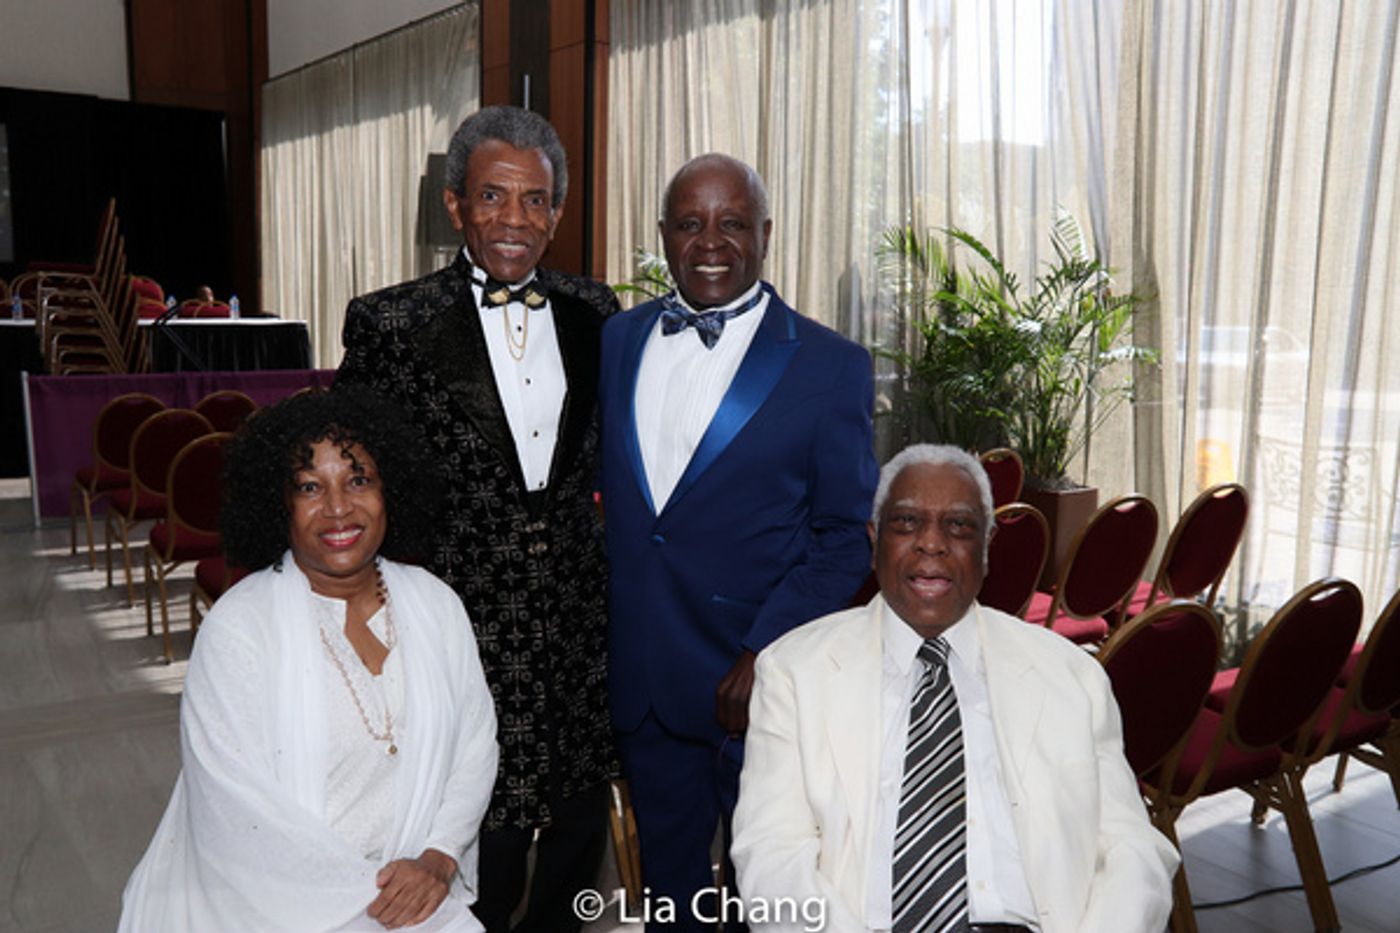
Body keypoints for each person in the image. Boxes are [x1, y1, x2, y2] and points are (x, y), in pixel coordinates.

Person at [337, 105, 618, 933]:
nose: (515, 220)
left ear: (558, 213)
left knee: (575, 814)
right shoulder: (391, 323)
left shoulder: (595, 311)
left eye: (535, 201)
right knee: (475, 819)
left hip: (575, 608)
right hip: (457, 606)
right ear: (457, 204)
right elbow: (352, 474)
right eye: (493, 197)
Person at [730, 444, 1179, 933]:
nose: (931, 543)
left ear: (987, 549)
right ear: (874, 539)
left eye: (959, 526)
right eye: (906, 523)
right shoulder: (793, 673)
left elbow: (1133, 849)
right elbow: (771, 860)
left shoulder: (1073, 676)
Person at [598, 153, 878, 930]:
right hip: (645, 680)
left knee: (774, 896)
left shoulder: (831, 365)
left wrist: (767, 651)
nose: (710, 242)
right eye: (690, 223)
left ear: (765, 234)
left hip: (756, 684)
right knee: (671, 895)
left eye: (732, 223)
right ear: (664, 235)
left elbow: (843, 539)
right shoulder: (619, 340)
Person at [118, 387, 498, 932]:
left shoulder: (435, 602)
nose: (338, 507)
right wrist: (364, 906)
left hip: (418, 887)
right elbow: (238, 818)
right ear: (280, 505)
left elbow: (475, 744)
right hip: (275, 904)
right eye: (309, 487)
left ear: (390, 489)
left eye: (358, 480)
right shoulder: (239, 628)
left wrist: (439, 856)